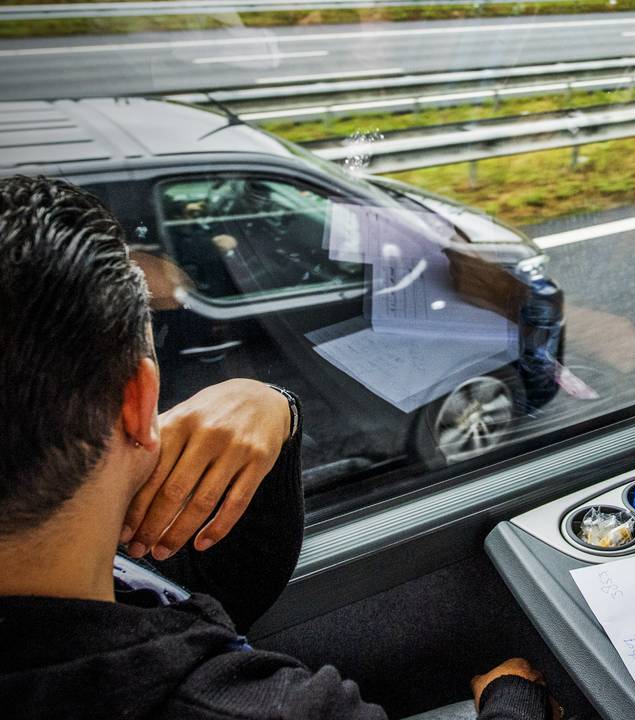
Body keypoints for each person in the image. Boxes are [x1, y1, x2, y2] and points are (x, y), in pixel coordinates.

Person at [0, 175, 557, 719]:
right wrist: (514, 698)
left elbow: (220, 602)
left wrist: (270, 405)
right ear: (140, 399)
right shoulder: (281, 706)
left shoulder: (98, 567)